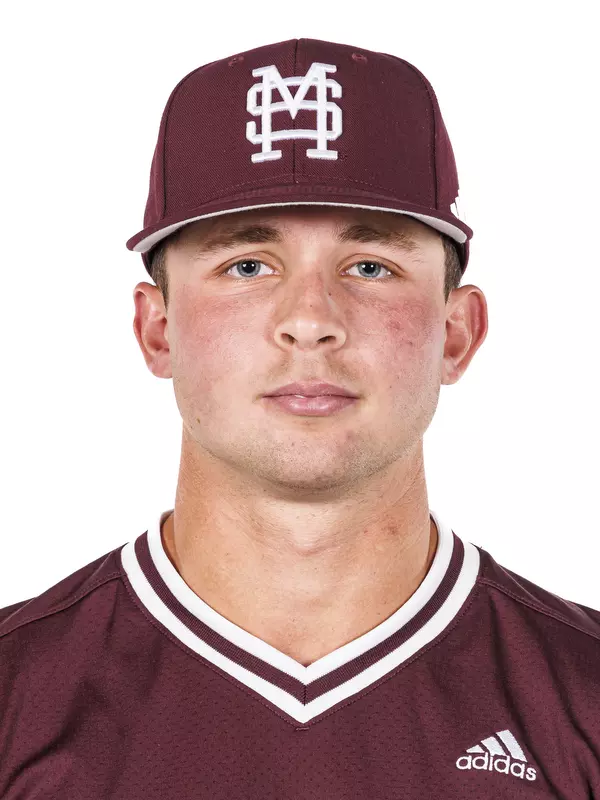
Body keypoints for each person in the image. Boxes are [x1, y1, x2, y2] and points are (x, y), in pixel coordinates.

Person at [1, 38, 599, 799]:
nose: (311, 321)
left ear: (457, 333)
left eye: (370, 267)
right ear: (157, 330)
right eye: (247, 266)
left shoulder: (583, 701)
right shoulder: (16, 700)